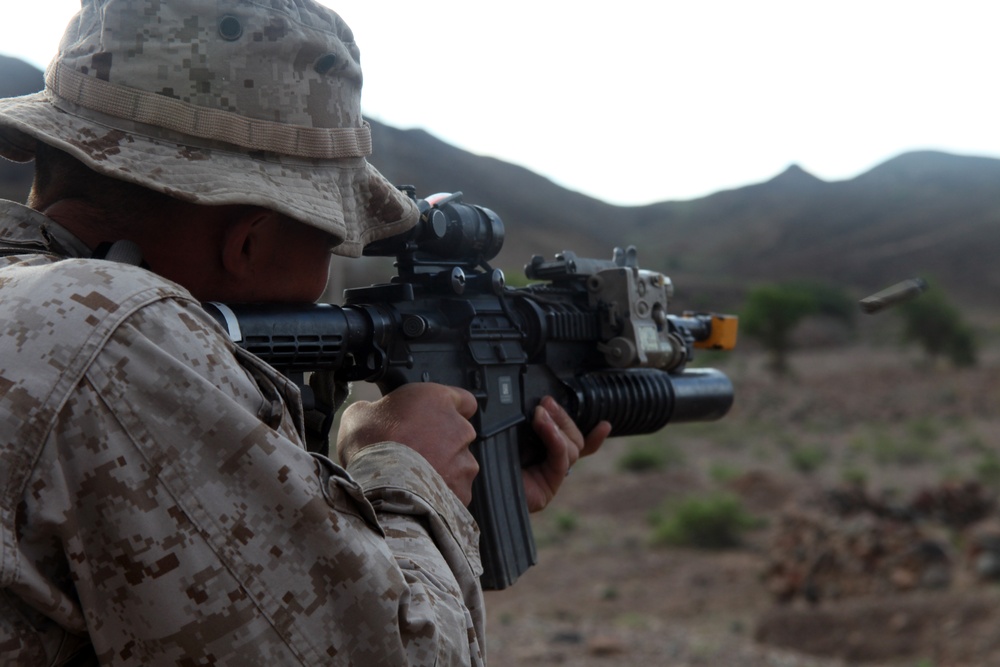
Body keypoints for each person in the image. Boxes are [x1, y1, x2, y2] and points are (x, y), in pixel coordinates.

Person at [0, 1, 610, 664]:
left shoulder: (41, 309)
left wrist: (449, 510)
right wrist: (406, 471)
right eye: (330, 237)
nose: (328, 273)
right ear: (250, 240)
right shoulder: (121, 333)